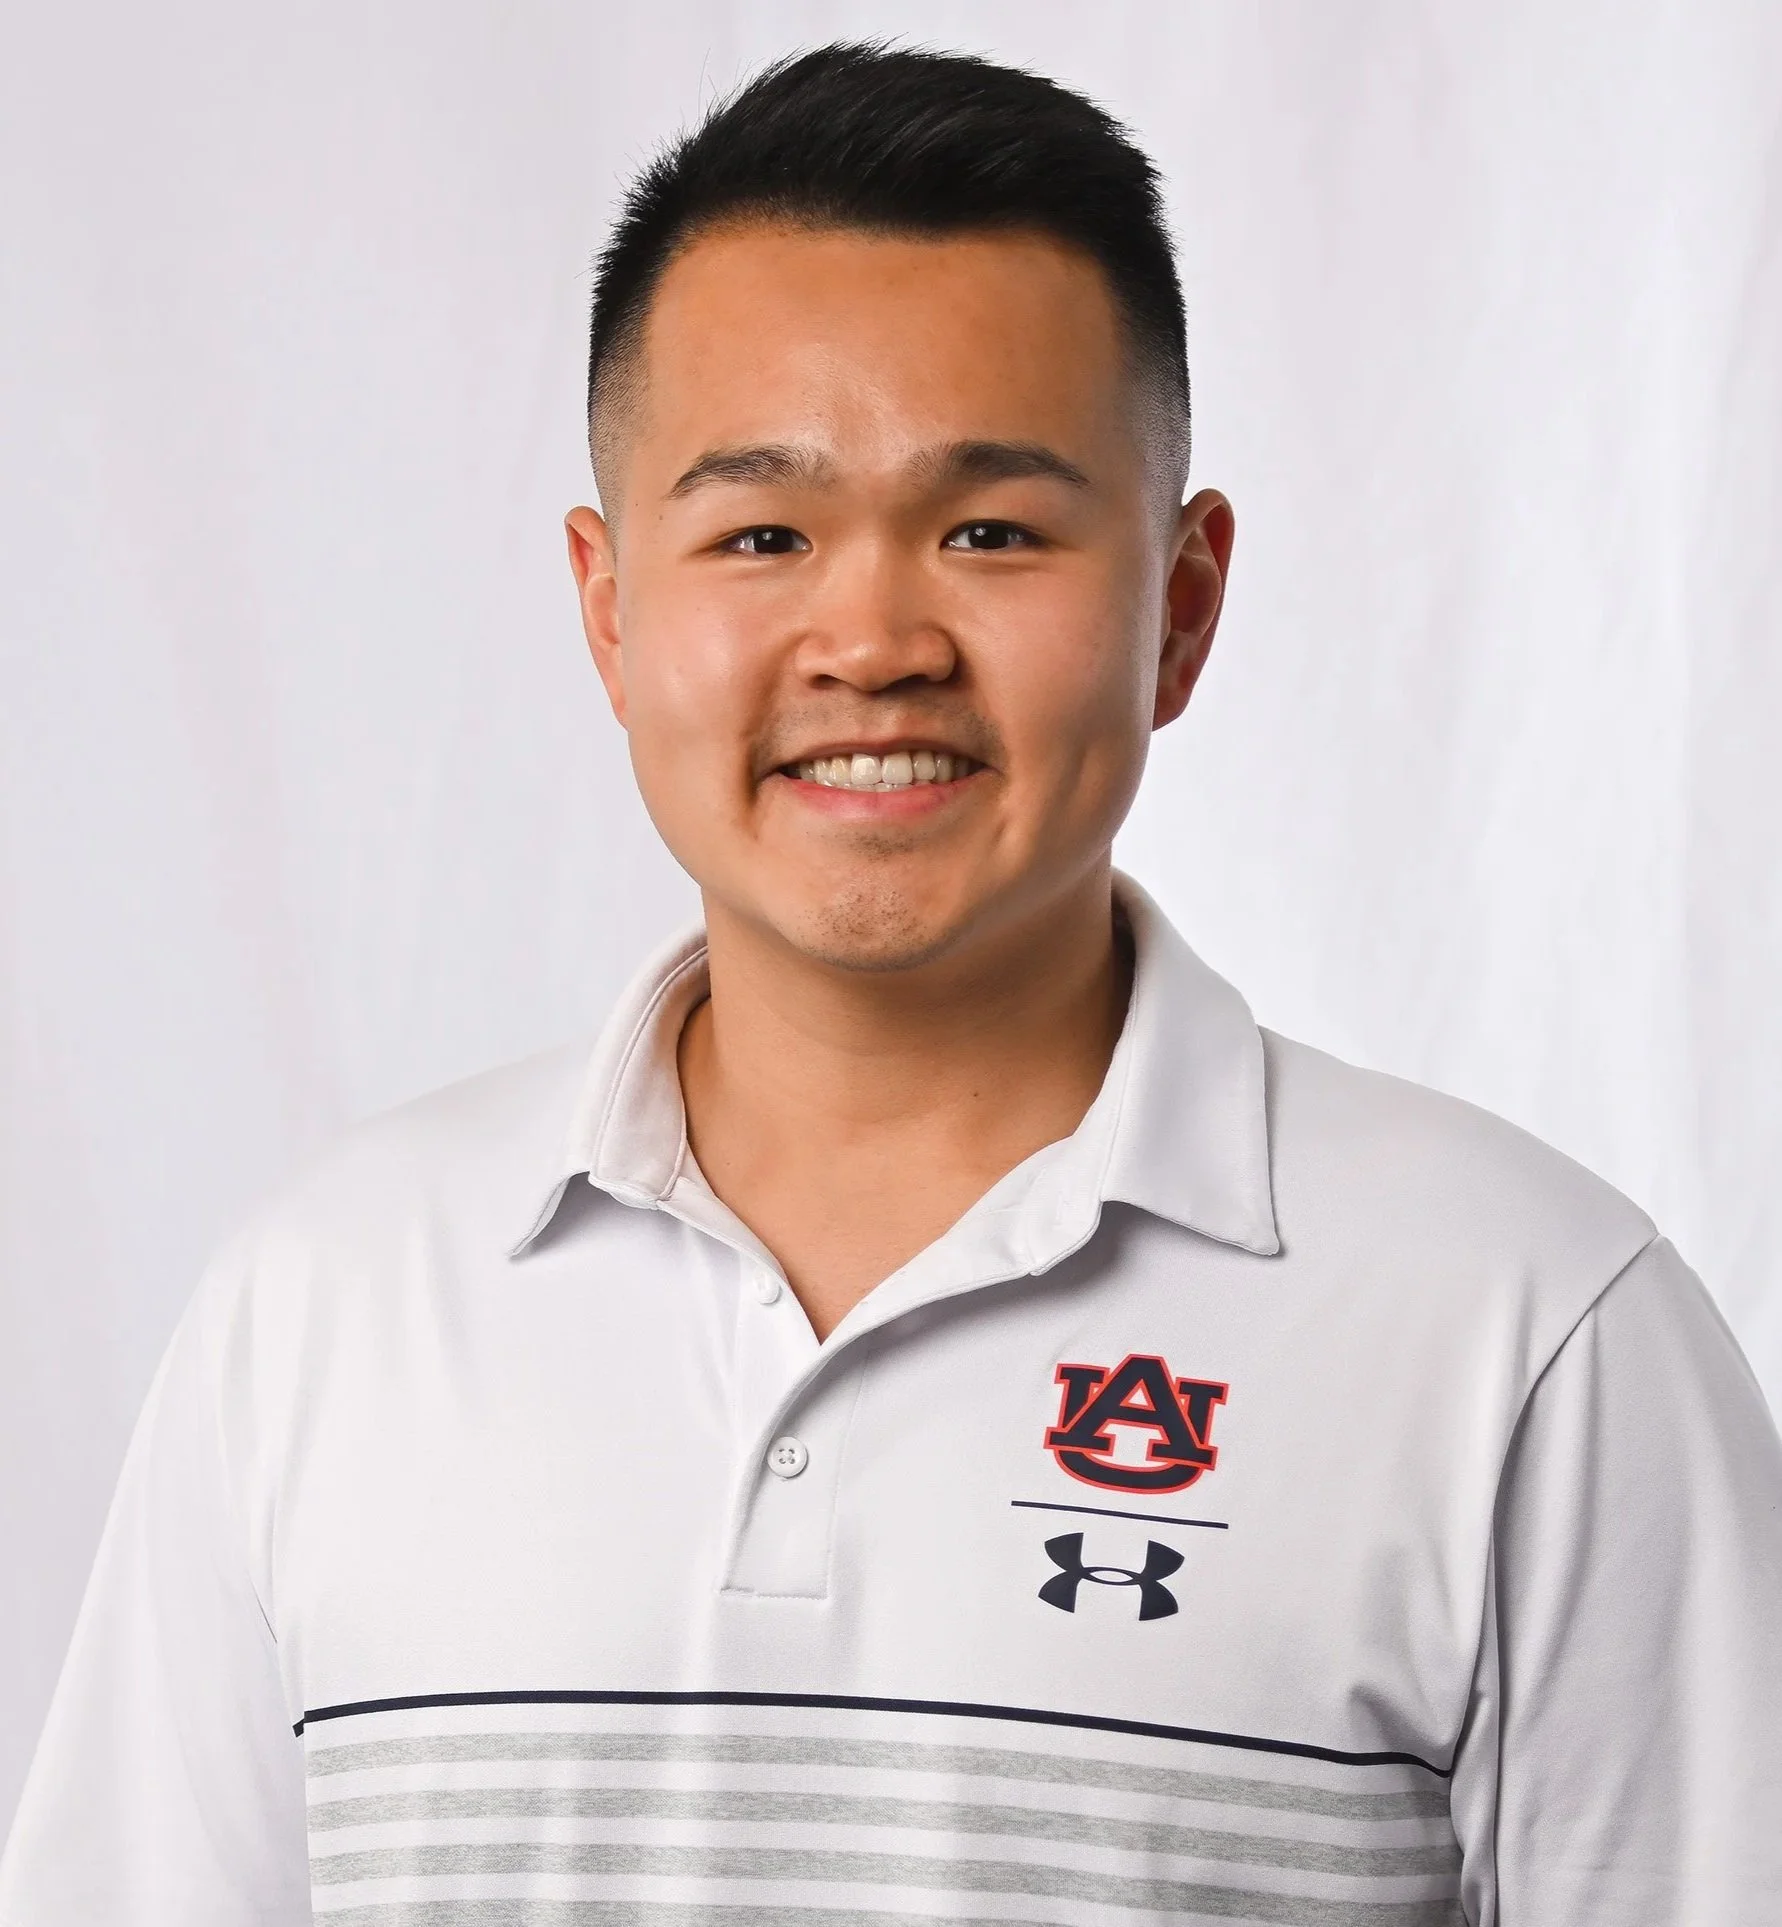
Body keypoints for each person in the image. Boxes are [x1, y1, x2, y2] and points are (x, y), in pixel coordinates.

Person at [3, 39, 1779, 1927]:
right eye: (761, 534)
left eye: (990, 530)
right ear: (610, 609)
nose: (869, 640)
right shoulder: (321, 1308)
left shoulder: (1535, 1331)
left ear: (1181, 605)